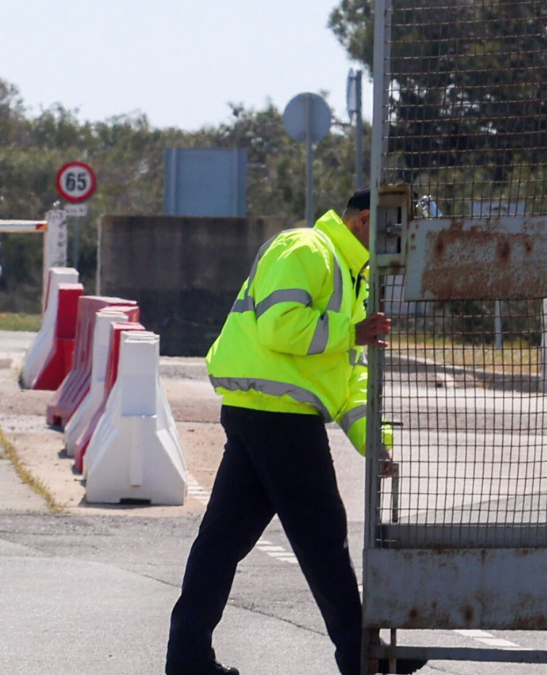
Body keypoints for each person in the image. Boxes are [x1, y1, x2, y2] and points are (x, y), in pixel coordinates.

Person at [164, 189, 427, 675]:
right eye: (403, 232)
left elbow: (347, 381)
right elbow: (278, 327)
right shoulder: (307, 248)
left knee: (223, 541)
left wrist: (377, 443)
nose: (407, 245)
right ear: (366, 221)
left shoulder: (352, 277)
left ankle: (187, 657)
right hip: (278, 417)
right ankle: (362, 658)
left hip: (269, 415)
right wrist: (352, 332)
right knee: (323, 539)